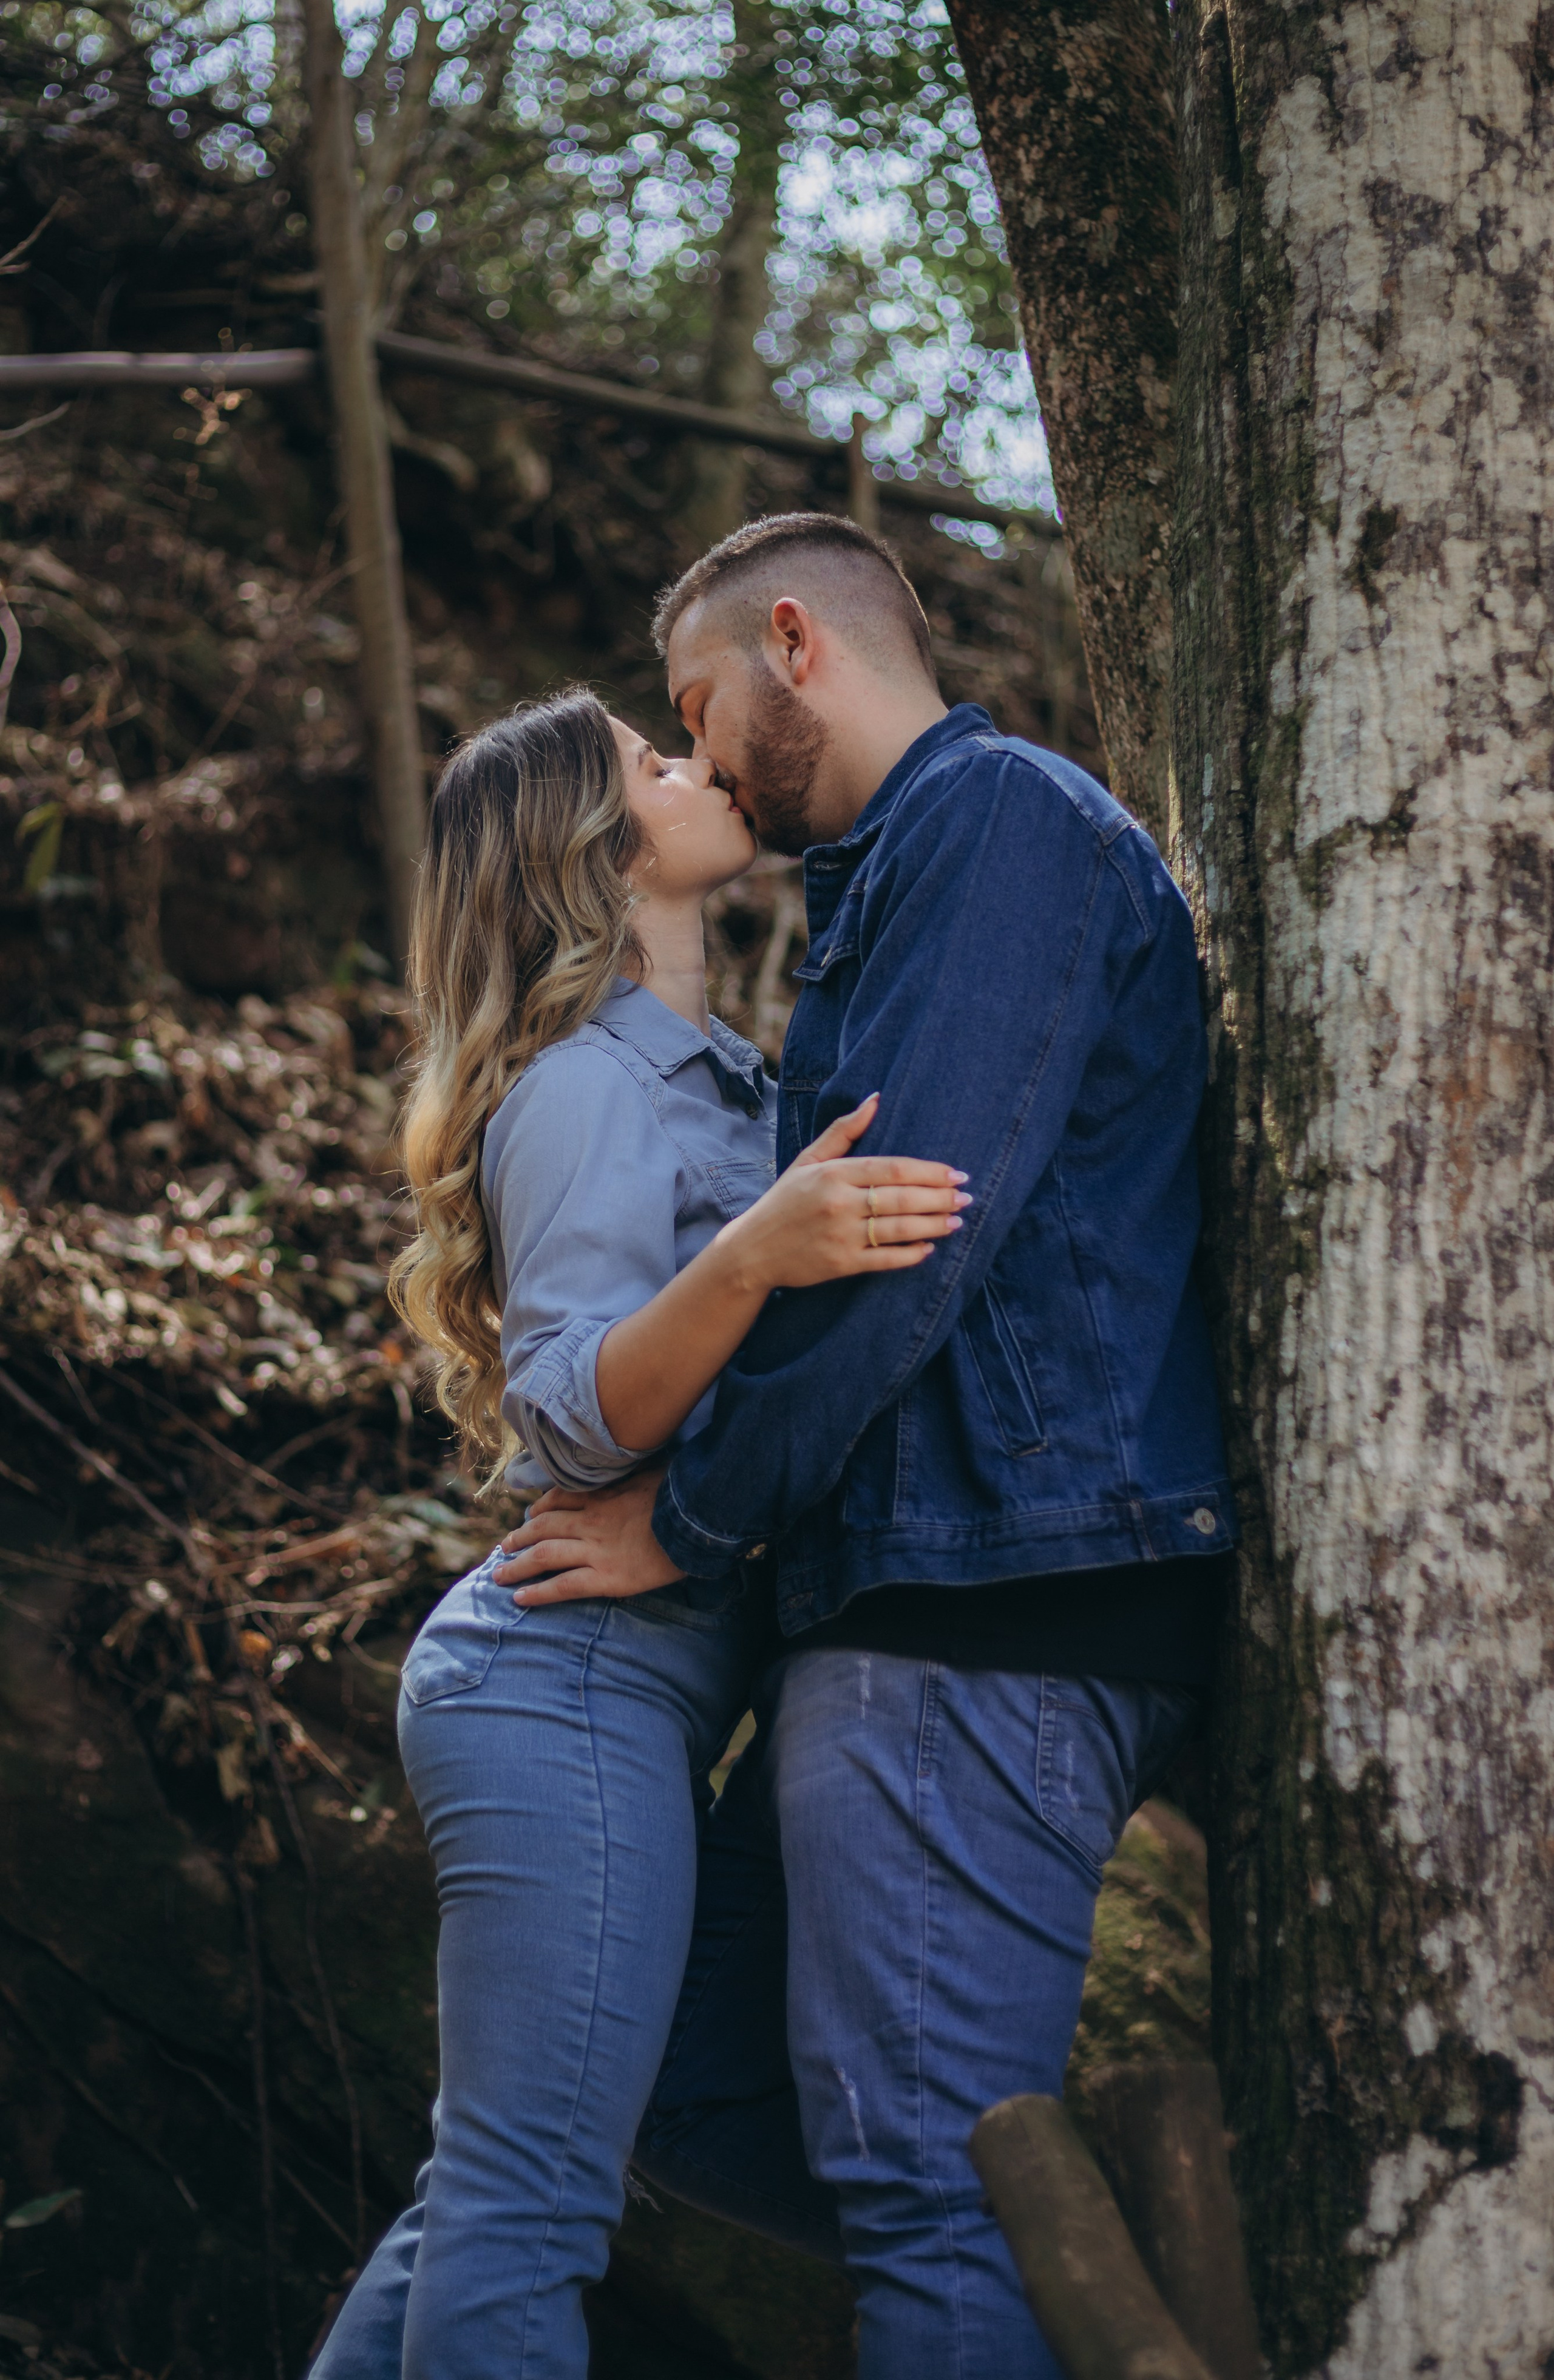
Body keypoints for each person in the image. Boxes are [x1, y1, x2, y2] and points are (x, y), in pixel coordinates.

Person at [494, 515, 1237, 2380]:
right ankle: (1081, 2267)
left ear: (795, 643)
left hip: (982, 1597)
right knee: (675, 2081)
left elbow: (907, 1248)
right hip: (906, 1594)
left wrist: (696, 1514)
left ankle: (1018, 2274)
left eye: (696, 705)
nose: (706, 754)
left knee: (924, 2172)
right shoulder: (902, 876)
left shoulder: (999, 827)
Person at [310, 687, 967, 2378]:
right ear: (594, 857)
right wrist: (757, 1250)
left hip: (628, 1679)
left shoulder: (729, 1074)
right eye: (651, 765)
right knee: (536, 2205)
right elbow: (577, 1407)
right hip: (567, 1678)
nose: (698, 768)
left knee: (501, 2180)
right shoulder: (589, 1087)